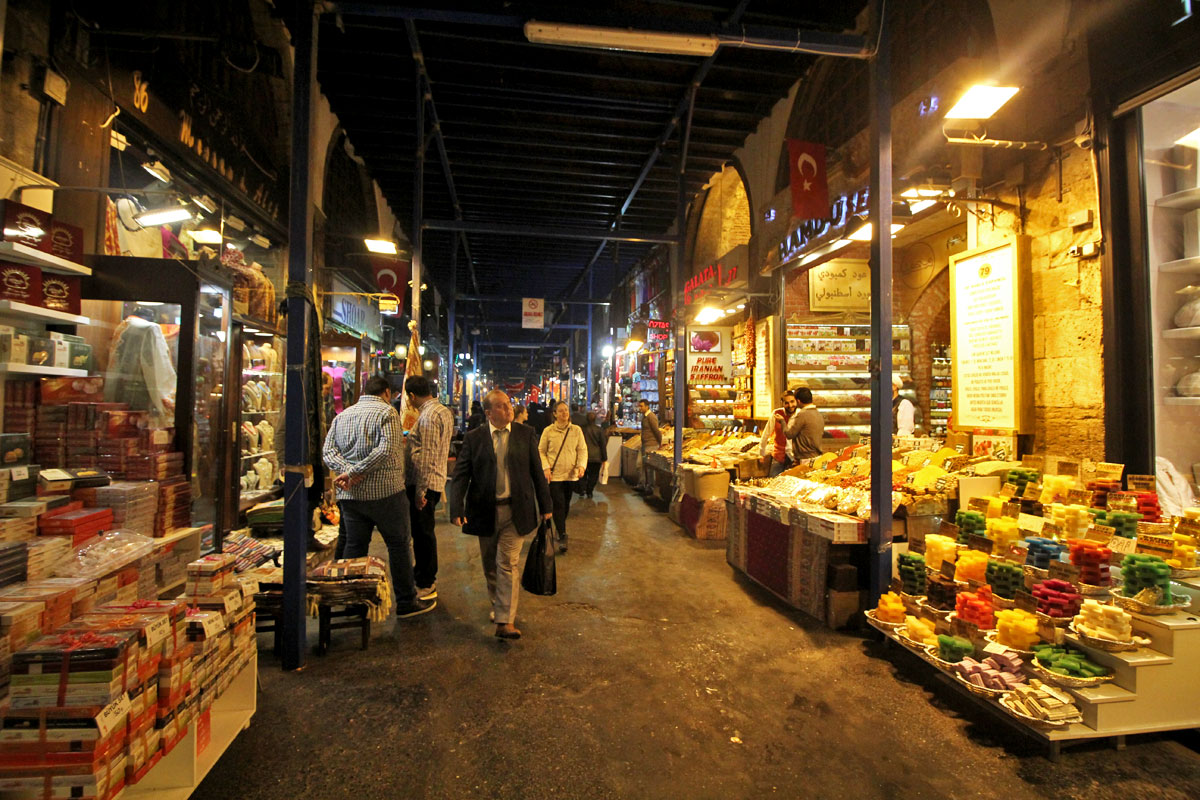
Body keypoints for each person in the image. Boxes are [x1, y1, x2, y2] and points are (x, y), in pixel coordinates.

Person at [322, 375, 434, 618]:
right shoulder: (387, 414)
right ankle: (406, 602)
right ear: (386, 392)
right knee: (399, 546)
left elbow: (328, 452)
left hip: (350, 497)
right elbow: (387, 449)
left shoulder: (343, 416)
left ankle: (353, 602)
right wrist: (355, 471)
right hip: (386, 495)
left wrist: (348, 473)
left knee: (355, 546)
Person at [448, 389, 553, 640]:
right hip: (484, 510)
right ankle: (498, 604)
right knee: (490, 565)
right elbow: (461, 475)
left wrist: (546, 506)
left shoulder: (525, 434)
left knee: (507, 563)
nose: (508, 410)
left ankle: (505, 620)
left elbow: (537, 472)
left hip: (516, 510)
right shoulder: (474, 439)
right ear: (488, 412)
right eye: (501, 406)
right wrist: (456, 508)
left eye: (509, 405)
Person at [403, 374, 454, 601]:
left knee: (423, 534)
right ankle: (422, 574)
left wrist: (420, 492)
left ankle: (426, 580)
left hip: (424, 483)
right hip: (434, 479)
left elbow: (428, 456)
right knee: (424, 532)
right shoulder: (443, 411)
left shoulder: (428, 417)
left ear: (412, 396)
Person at [539, 401, 588, 553]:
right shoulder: (548, 431)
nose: (564, 413)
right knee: (559, 504)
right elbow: (540, 451)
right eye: (560, 411)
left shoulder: (576, 430)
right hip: (554, 476)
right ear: (554, 414)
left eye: (566, 410)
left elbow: (582, 449)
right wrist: (546, 467)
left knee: (565, 504)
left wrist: (581, 466)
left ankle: (560, 528)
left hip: (571, 475)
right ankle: (562, 534)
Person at [760, 390, 799, 476]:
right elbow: (766, 433)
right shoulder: (776, 413)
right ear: (782, 403)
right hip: (778, 457)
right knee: (772, 483)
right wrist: (762, 453)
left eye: (792, 401)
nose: (790, 405)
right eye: (786, 403)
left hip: (794, 459)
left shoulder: (800, 415)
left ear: (796, 401)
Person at [783, 386, 824, 461]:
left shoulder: (802, 414)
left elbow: (790, 434)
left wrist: (782, 421)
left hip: (805, 458)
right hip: (817, 456)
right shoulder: (818, 413)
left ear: (798, 401)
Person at [580, 411, 607, 499]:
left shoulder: (582, 430)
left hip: (584, 456)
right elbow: (602, 445)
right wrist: (604, 458)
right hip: (596, 456)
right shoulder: (599, 430)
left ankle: (582, 489)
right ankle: (590, 491)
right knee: (594, 475)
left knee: (583, 474)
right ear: (595, 419)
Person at [637, 398, 662, 494]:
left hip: (651, 445)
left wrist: (659, 443)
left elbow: (656, 431)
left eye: (641, 406)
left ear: (647, 407)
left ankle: (650, 487)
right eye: (639, 406)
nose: (640, 408)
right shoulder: (644, 417)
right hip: (645, 444)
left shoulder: (651, 417)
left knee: (649, 468)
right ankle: (642, 484)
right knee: (641, 465)